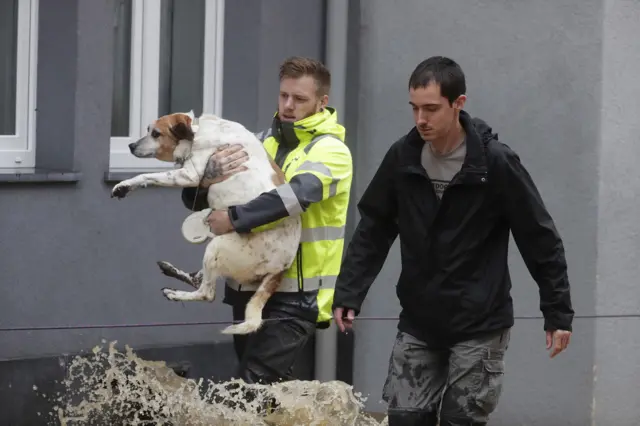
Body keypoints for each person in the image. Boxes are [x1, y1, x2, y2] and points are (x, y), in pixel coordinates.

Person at [331, 56, 574, 426]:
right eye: (414, 108)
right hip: (419, 320)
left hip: (480, 324)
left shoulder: (495, 163)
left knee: (459, 421)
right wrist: (349, 292)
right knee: (405, 421)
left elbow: (539, 237)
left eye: (431, 108)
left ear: (458, 103)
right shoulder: (403, 156)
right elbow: (374, 227)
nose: (420, 120)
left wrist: (557, 313)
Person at [181, 56, 353, 386]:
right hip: (247, 287)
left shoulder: (332, 151)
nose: (288, 106)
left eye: (300, 99)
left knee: (247, 392)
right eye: (284, 95)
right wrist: (205, 180)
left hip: (296, 296)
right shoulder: (258, 142)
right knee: (268, 399)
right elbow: (197, 202)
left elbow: (295, 197)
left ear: (322, 102)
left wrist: (233, 219)